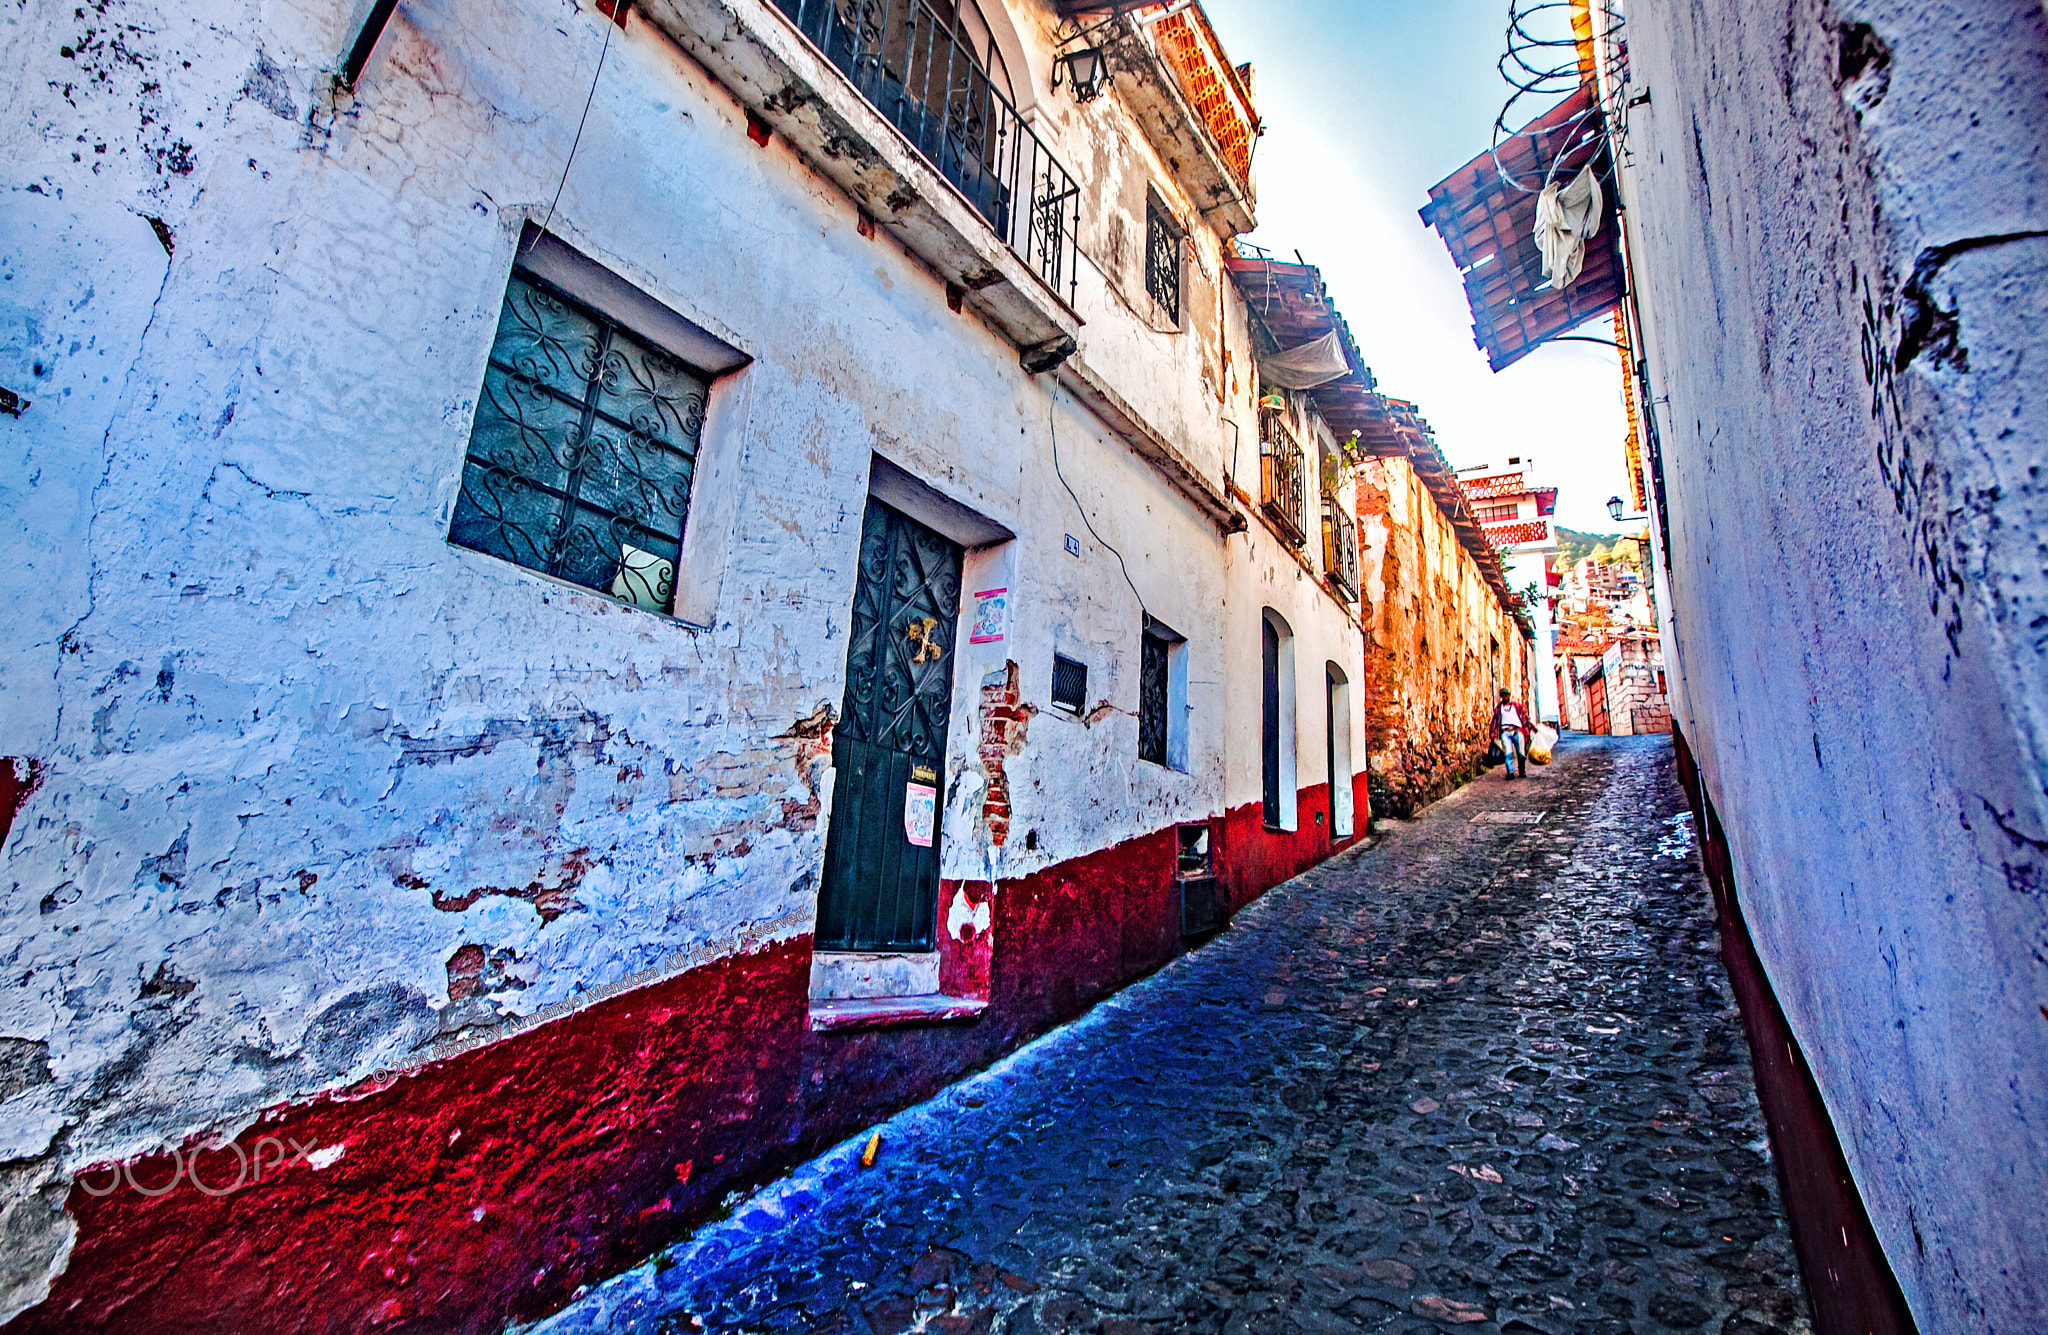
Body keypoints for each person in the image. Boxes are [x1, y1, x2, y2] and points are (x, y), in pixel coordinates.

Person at [1490, 688, 1532, 779]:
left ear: (1509, 695)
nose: (1505, 697)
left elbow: (1524, 718)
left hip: (1517, 731)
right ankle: (1510, 772)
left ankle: (1522, 771)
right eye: (1503, 695)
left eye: (1506, 695)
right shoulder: (1499, 708)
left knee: (1521, 753)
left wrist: (1528, 730)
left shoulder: (1516, 706)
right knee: (1508, 753)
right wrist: (1492, 732)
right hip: (1505, 732)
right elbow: (1494, 720)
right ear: (1501, 696)